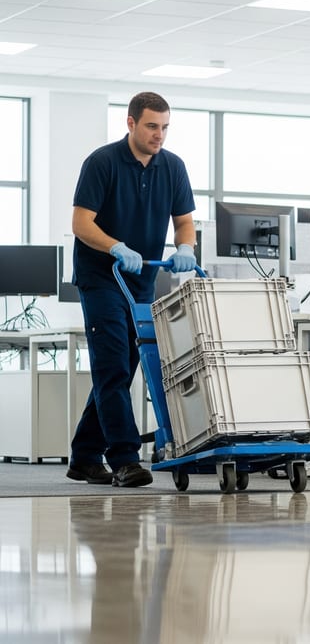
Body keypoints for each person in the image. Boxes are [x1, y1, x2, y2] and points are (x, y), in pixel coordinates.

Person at [67, 91, 197, 488]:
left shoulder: (173, 167)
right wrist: (115, 247)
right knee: (112, 365)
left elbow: (184, 222)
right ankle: (125, 459)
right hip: (101, 277)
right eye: (152, 126)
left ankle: (85, 456)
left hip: (141, 283)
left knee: (123, 368)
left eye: (165, 127)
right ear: (131, 123)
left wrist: (185, 247)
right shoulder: (102, 162)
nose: (159, 135)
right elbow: (81, 223)